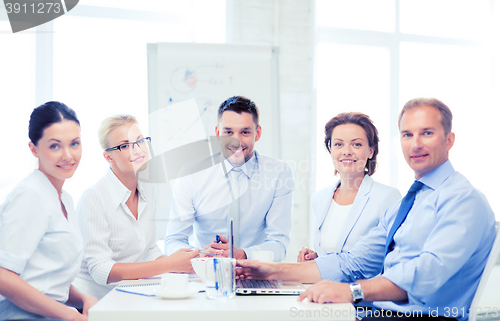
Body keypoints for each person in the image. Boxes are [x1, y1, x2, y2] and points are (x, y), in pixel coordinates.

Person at [237, 98, 496, 320]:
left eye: (427, 133)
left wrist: (352, 292)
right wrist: (272, 270)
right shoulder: (409, 203)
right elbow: (353, 263)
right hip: (377, 313)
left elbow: (427, 273)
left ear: (449, 140)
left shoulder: (463, 199)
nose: (415, 144)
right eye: (407, 135)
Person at [73, 115, 199, 299]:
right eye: (125, 146)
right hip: (92, 303)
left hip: (128, 294)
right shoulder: (94, 197)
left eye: (140, 141)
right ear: (109, 156)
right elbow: (101, 271)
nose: (138, 150)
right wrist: (169, 264)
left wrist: (190, 261)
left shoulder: (148, 188)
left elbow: (148, 250)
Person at [164, 96, 294, 261]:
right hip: (206, 273)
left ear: (258, 133)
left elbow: (279, 243)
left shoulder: (279, 174)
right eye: (228, 132)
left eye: (245, 132)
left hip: (256, 272)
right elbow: (173, 240)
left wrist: (244, 254)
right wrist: (201, 255)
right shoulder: (191, 175)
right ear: (218, 133)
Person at [0, 101, 97, 320]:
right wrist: (70, 315)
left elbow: (46, 280)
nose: (68, 155)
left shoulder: (64, 199)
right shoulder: (30, 195)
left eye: (74, 143)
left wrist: (82, 299)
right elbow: (3, 277)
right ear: (34, 149)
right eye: (55, 146)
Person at [297, 112, 401, 262]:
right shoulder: (319, 198)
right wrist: (317, 259)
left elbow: (391, 256)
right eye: (338, 144)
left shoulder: (387, 197)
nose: (346, 151)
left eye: (356, 144)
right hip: (324, 284)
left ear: (370, 150)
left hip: (363, 285)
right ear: (330, 149)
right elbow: (335, 255)